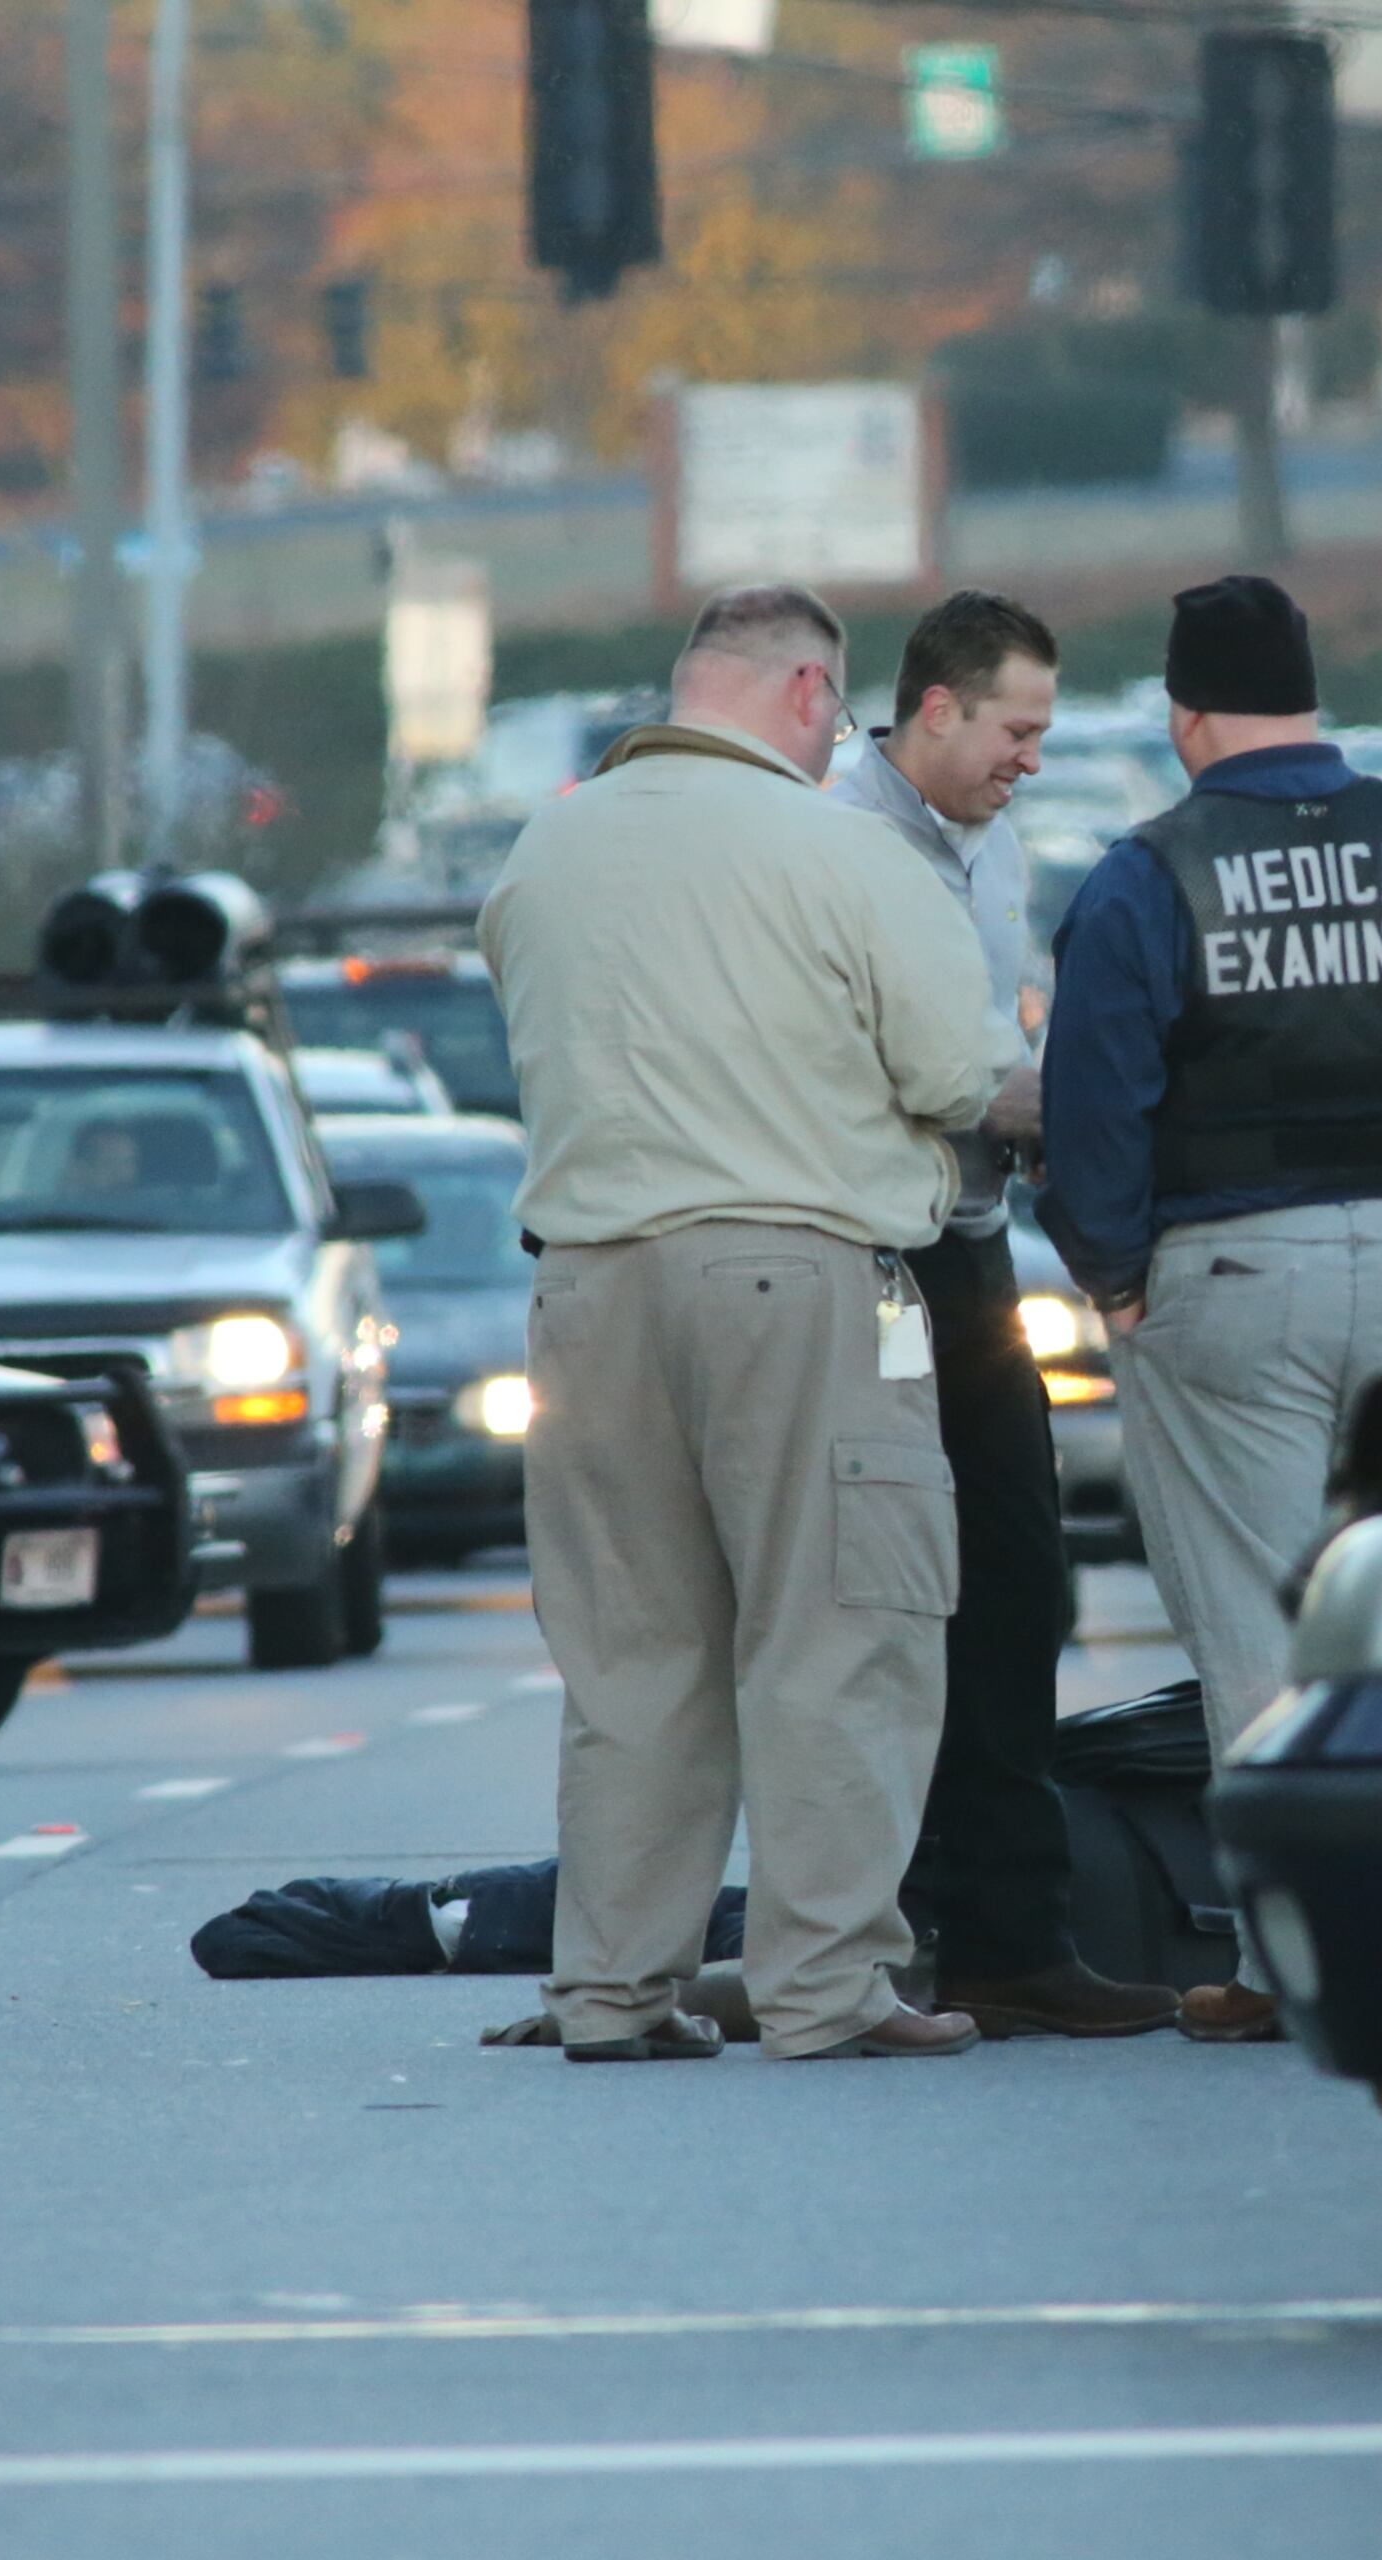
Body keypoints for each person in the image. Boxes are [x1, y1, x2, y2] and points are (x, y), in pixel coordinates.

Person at [480, 581, 1021, 2064]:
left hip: (587, 1292)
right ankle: (826, 1987)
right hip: (797, 1283)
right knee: (841, 1635)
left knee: (633, 1660)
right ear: (801, 699)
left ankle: (610, 1992)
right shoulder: (842, 852)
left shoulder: (546, 849)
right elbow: (957, 1077)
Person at [1040, 573, 1382, 2045]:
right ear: (1311, 699)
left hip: (1228, 1274)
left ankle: (1292, 1962)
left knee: (1261, 1633)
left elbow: (1096, 1106)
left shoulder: (1153, 871)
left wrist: (1114, 1273)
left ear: (1184, 714)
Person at [824, 590, 1180, 2042]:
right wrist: (1037, 1098)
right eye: (1016, 731)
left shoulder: (992, 842)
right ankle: (893, 1922)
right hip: (878, 1264)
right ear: (935, 710)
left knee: (1023, 1581)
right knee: (897, 1594)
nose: (1032, 759)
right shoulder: (838, 845)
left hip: (974, 1251)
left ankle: (1012, 1933)